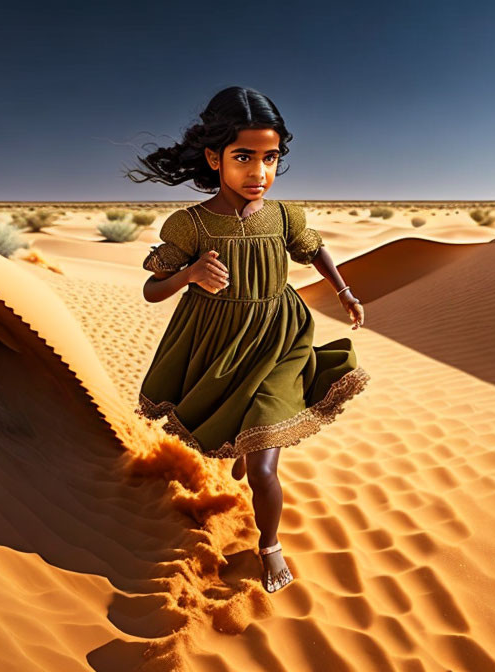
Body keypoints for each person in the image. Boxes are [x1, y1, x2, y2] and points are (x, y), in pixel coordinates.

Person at [127, 86, 370, 593]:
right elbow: (153, 290)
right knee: (244, 429)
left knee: (262, 465)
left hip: (281, 337)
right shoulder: (190, 224)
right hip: (219, 343)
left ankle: (270, 546)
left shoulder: (283, 216)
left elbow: (315, 250)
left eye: (270, 157)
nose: (259, 172)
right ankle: (246, 436)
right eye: (244, 157)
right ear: (215, 158)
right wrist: (189, 274)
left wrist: (344, 291)